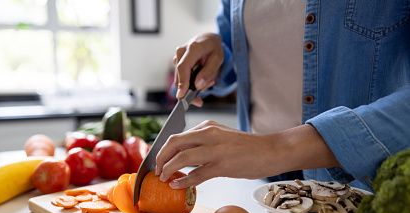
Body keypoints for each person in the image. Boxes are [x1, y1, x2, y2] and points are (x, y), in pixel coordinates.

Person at [155, 0, 410, 193]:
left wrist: (275, 148)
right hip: (260, 181)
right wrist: (217, 48)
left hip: (361, 187)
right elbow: (237, 41)